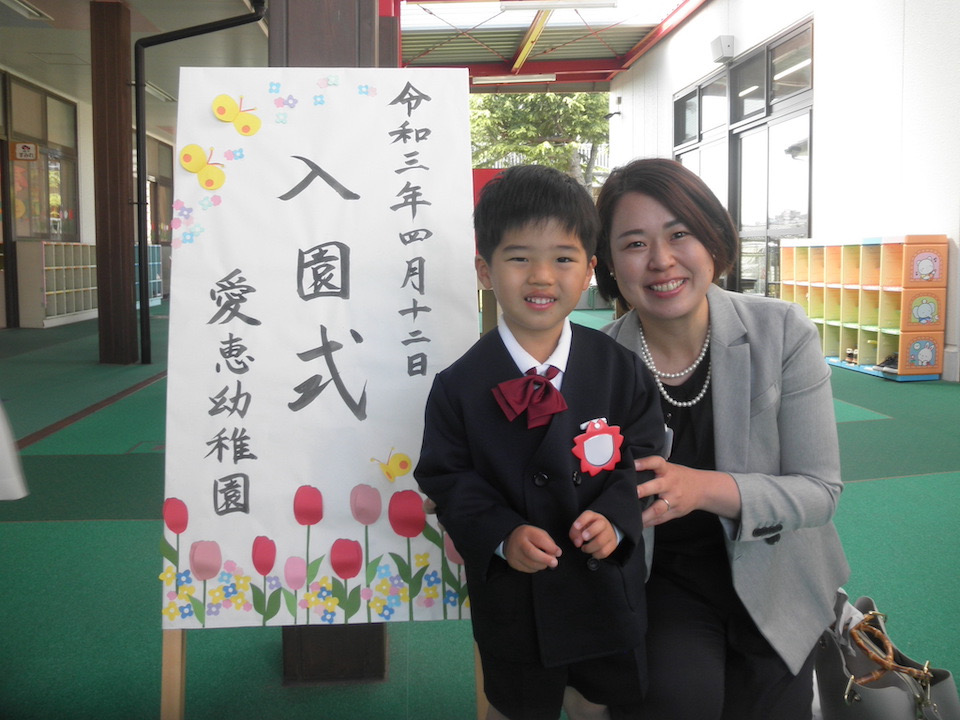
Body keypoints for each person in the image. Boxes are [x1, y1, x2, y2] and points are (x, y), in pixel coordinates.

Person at [593, 158, 849, 719]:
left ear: (712, 237)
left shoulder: (781, 331)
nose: (661, 261)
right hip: (661, 583)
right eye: (634, 243)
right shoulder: (598, 365)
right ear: (609, 263)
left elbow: (818, 491)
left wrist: (701, 488)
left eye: (679, 234)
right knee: (672, 703)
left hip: (779, 573)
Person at [415, 165, 664, 720]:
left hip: (606, 588)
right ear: (485, 269)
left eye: (563, 258)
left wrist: (618, 516)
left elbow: (645, 459)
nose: (542, 277)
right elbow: (446, 479)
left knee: (601, 702)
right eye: (519, 257)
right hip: (515, 600)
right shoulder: (457, 387)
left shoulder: (619, 370)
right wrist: (501, 535)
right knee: (518, 704)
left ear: (589, 271)